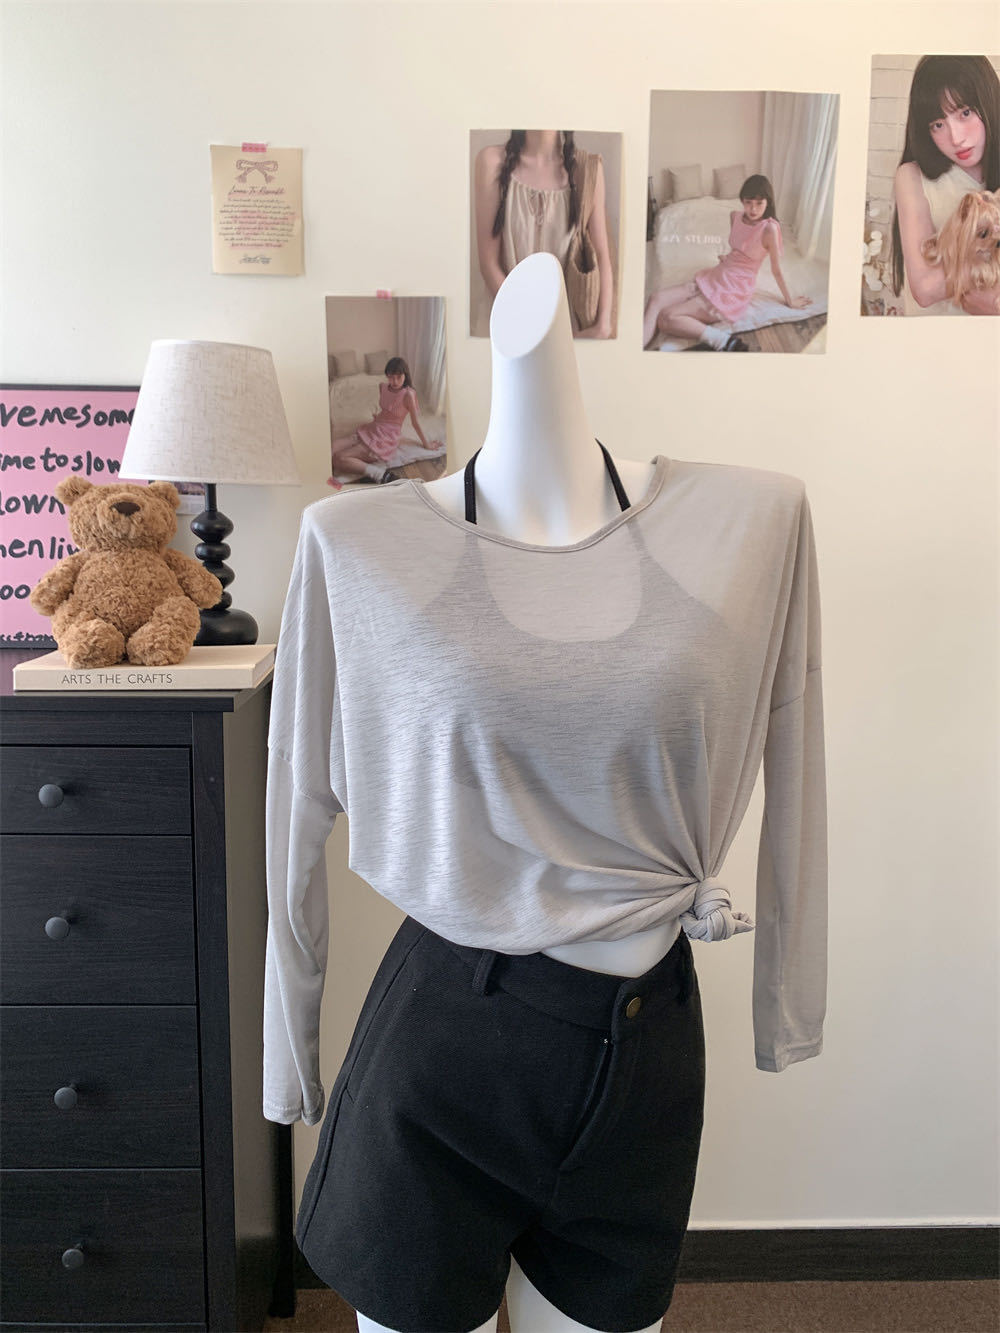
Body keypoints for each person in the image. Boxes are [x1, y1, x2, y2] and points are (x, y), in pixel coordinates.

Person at [264, 254, 828, 1333]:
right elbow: (296, 805)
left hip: (648, 1046)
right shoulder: (357, 543)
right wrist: (290, 1054)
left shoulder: (751, 522)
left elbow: (795, 750)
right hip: (445, 1047)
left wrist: (787, 995)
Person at [642, 173, 809, 351]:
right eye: (748, 202)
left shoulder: (769, 229)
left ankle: (723, 341)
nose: (753, 209)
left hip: (734, 287)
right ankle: (633, 350)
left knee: (666, 318)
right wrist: (729, 259)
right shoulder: (735, 217)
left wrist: (789, 300)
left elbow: (776, 270)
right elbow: (739, 248)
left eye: (759, 203)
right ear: (742, 200)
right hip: (717, 274)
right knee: (655, 299)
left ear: (768, 202)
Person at [474, 130, 615, 338]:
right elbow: (489, 263)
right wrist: (531, 325)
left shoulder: (587, 169)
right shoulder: (491, 161)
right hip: (507, 325)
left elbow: (601, 255)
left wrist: (603, 324)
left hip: (565, 331)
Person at [889, 54, 1000, 315]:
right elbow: (926, 289)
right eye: (938, 124)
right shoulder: (912, 177)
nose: (956, 138)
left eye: (965, 113)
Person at [328, 357, 435, 487]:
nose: (395, 381)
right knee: (330, 448)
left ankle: (380, 474)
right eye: (391, 377)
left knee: (339, 458)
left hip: (385, 437)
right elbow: (386, 409)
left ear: (405, 375)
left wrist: (427, 444)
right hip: (372, 427)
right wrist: (378, 417)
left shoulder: (408, 394)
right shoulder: (383, 387)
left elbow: (415, 423)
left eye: (399, 377)